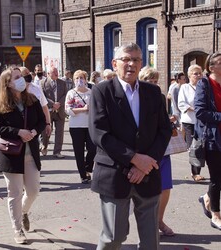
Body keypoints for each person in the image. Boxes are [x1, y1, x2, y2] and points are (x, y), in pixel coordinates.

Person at [88, 43, 171, 249]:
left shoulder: (154, 93)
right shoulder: (101, 91)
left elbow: (164, 131)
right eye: (126, 59)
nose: (131, 64)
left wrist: (146, 163)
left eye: (136, 60)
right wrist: (135, 159)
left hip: (148, 175)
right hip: (115, 176)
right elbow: (99, 134)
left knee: (151, 241)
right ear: (114, 64)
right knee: (114, 237)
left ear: (141, 64)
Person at [0, 67, 46, 244]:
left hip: (31, 152)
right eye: (16, 77)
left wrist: (33, 132)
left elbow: (41, 121)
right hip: (11, 153)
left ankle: (23, 212)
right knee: (14, 193)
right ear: (8, 83)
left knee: (33, 190)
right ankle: (17, 229)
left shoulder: (31, 99)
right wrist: (18, 132)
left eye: (21, 76)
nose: (21, 79)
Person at [139, 66, 175, 236]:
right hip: (143, 151)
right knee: (144, 190)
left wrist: (169, 122)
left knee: (165, 187)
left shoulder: (160, 97)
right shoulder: (134, 97)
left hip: (162, 149)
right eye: (149, 81)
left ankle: (159, 220)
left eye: (155, 81)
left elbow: (162, 122)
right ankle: (148, 224)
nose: (153, 84)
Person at [195, 52, 221, 230]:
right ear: (211, 67)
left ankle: (207, 197)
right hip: (213, 138)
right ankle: (216, 214)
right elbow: (200, 112)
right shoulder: (204, 84)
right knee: (216, 179)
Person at [65, 70, 96, 184]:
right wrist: (83, 109)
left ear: (86, 79)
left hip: (89, 125)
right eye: (77, 78)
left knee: (93, 148)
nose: (79, 80)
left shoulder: (91, 92)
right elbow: (68, 109)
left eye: (81, 78)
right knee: (79, 151)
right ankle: (83, 175)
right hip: (76, 126)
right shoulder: (71, 93)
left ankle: (88, 167)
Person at [178, 64, 205, 182]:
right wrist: (195, 108)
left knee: (203, 146)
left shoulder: (204, 87)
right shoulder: (185, 88)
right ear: (189, 76)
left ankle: (198, 170)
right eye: (195, 73)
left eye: (200, 73)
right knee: (194, 147)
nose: (198, 76)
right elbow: (182, 103)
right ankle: (195, 173)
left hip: (202, 121)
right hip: (190, 121)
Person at [20, 67, 52, 148]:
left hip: (35, 127)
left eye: (29, 73)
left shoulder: (36, 88)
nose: (29, 75)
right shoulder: (15, 90)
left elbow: (44, 106)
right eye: (26, 74)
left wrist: (48, 123)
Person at [40, 66, 67, 158]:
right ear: (48, 74)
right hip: (48, 111)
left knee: (60, 132)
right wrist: (52, 104)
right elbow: (42, 96)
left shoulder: (62, 83)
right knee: (46, 131)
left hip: (60, 111)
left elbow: (65, 94)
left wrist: (59, 103)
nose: (56, 73)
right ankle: (44, 146)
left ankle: (57, 151)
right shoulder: (43, 83)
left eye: (57, 71)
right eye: (53, 72)